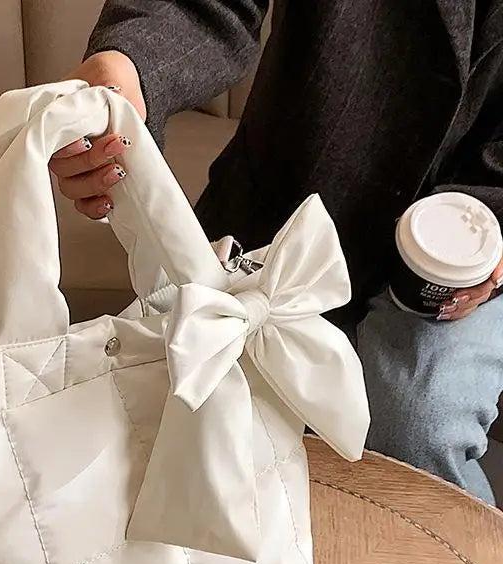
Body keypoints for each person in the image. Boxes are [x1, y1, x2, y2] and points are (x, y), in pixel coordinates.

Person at [49, 0, 503, 504]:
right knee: (186, 404)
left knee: (419, 421)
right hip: (287, 203)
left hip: (476, 240)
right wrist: (130, 65)